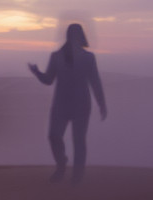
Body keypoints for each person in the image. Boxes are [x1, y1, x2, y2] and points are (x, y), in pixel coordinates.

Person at [28, 23, 107, 183]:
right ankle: (61, 164)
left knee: (79, 140)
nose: (73, 37)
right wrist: (37, 72)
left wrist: (102, 103)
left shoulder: (88, 57)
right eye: (71, 34)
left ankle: (77, 175)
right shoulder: (56, 56)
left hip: (81, 105)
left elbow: (95, 81)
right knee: (53, 135)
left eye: (75, 34)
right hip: (61, 105)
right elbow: (49, 80)